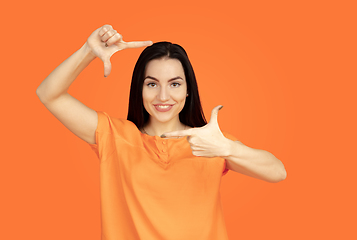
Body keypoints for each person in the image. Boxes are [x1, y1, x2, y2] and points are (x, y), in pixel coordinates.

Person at [36, 24, 287, 240]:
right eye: (152, 84)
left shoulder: (209, 142)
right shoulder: (114, 136)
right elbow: (49, 94)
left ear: (188, 90)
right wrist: (88, 52)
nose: (163, 96)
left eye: (175, 84)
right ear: (139, 90)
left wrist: (227, 148)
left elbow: (277, 172)